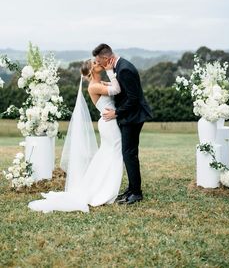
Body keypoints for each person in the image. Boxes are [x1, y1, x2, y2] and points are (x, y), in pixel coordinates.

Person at [28, 59, 123, 213]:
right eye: (95, 63)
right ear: (91, 70)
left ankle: (100, 186)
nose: (98, 62)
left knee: (108, 153)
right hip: (109, 123)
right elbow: (117, 90)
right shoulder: (94, 86)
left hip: (110, 121)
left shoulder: (102, 83)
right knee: (115, 153)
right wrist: (111, 70)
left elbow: (115, 87)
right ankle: (106, 190)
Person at [92, 44, 152, 205]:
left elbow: (133, 98)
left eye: (99, 61)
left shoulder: (124, 68)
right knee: (128, 153)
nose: (99, 64)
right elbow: (120, 90)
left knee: (129, 154)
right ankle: (132, 189)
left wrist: (116, 113)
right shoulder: (118, 66)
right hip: (128, 116)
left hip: (133, 117)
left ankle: (136, 193)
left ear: (106, 59)